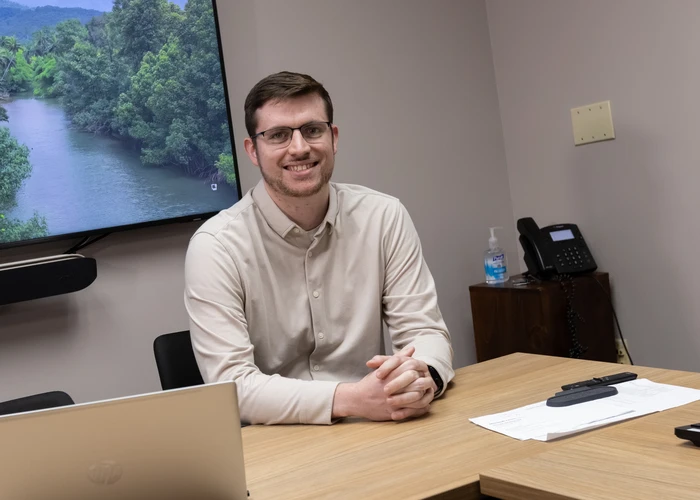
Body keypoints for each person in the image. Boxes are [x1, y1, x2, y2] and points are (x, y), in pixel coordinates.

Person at [184, 71, 454, 425]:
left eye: (312, 130)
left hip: (378, 427)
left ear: (333, 137)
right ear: (253, 150)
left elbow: (425, 332)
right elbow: (233, 387)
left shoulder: (384, 216)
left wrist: (422, 378)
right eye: (278, 135)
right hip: (278, 447)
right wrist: (351, 399)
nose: (300, 148)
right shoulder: (215, 247)